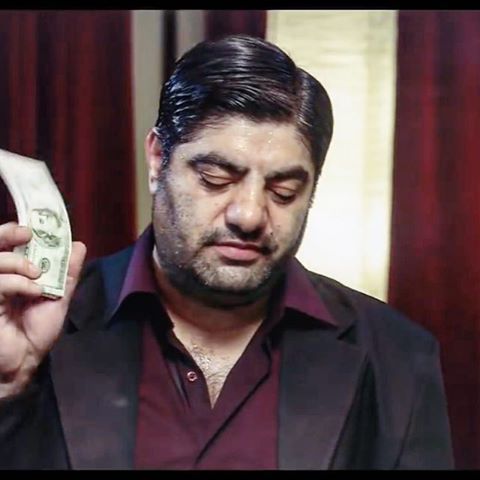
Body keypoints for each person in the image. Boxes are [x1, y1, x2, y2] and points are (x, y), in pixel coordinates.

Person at [0, 34, 453, 470]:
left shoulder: (397, 357)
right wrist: (7, 389)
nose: (250, 215)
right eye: (216, 178)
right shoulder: (40, 326)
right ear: (158, 159)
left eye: (283, 190)